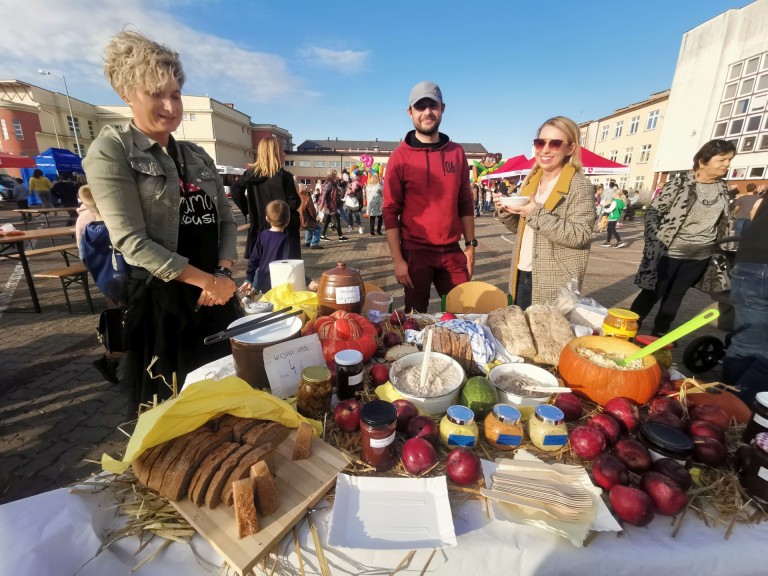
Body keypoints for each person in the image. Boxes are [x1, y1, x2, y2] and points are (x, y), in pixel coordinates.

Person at [83, 30, 239, 406]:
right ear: (126, 94)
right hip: (163, 304)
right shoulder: (112, 150)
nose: (170, 106)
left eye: (176, 94)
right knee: (174, 407)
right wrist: (206, 281)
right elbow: (132, 242)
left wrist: (222, 274)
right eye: (156, 94)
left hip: (214, 296)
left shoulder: (197, 156)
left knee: (224, 396)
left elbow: (227, 222)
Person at [383, 81, 476, 313]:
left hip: (452, 251)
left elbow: (465, 200)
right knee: (415, 318)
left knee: (462, 315)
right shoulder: (399, 157)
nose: (427, 112)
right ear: (410, 112)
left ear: (442, 108)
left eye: (432, 105)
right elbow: (390, 211)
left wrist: (471, 246)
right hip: (415, 253)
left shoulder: (456, 152)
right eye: (420, 106)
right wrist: (398, 260)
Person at [629, 139, 736, 337]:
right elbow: (653, 212)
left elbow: (724, 221)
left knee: (676, 295)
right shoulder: (680, 183)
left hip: (700, 256)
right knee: (652, 293)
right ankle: (627, 329)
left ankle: (660, 333)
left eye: (729, 160)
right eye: (722, 160)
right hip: (669, 252)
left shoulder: (723, 187)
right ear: (703, 161)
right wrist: (655, 241)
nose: (727, 164)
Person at [495, 116, 595, 309]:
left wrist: (535, 212)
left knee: (544, 335)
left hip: (553, 279)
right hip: (521, 271)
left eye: (555, 143)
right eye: (540, 142)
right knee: (520, 332)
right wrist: (506, 211)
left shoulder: (579, 185)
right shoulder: (532, 181)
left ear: (570, 148)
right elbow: (523, 230)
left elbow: (580, 235)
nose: (545, 149)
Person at [722, 196, 768, 402]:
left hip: (751, 261)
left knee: (744, 344)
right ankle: (741, 411)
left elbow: (755, 210)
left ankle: (724, 403)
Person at [231, 137, 301, 259]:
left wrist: (248, 210)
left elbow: (235, 190)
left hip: (259, 226)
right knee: (284, 268)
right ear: (276, 153)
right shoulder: (284, 177)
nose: (284, 154)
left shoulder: (250, 174)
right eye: (281, 150)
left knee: (260, 264)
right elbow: (294, 204)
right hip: (282, 228)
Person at [239, 200, 301, 295]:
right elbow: (292, 265)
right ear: (288, 220)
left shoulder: (262, 235)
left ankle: (251, 295)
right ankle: (251, 295)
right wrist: (308, 281)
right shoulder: (288, 240)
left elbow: (254, 258)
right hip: (280, 281)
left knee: (268, 302)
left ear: (267, 219)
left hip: (264, 278)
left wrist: (249, 278)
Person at [319, 168, 349, 241]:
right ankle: (340, 236)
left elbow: (337, 186)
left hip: (329, 205)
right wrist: (322, 204)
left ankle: (322, 235)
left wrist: (339, 178)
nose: (337, 175)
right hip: (330, 206)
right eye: (336, 174)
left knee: (326, 221)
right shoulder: (329, 183)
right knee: (337, 221)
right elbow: (324, 194)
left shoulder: (331, 182)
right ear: (333, 174)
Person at [298, 182, 321, 249]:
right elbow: (312, 211)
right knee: (318, 228)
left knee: (309, 227)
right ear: (305, 190)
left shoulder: (295, 197)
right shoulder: (307, 198)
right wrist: (315, 219)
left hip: (298, 220)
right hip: (305, 221)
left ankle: (308, 241)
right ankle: (314, 244)